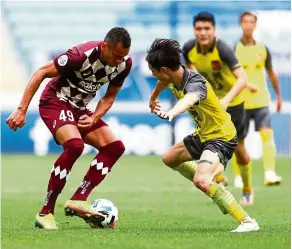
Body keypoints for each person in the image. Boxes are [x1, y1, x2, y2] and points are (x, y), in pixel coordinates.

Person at [6, 27, 132, 229]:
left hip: (80, 109)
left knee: (114, 147)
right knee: (75, 146)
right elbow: (40, 73)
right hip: (55, 101)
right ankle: (45, 212)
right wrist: (21, 109)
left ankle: (79, 198)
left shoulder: (124, 64)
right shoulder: (79, 56)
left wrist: (95, 118)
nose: (120, 61)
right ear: (105, 46)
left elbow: (109, 96)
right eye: (117, 56)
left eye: (124, 56)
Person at [147, 38, 259, 232]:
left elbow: (190, 99)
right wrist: (153, 98)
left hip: (221, 137)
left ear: (164, 70)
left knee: (201, 180)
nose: (153, 75)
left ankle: (247, 221)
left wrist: (173, 111)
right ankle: (210, 176)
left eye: (154, 71)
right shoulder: (172, 77)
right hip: (204, 134)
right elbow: (161, 83)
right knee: (169, 158)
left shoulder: (195, 82)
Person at [182, 11, 254, 205]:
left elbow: (243, 79)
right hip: (211, 106)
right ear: (194, 30)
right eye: (199, 29)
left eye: (207, 29)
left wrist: (227, 99)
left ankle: (247, 189)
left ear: (214, 30)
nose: (203, 33)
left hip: (234, 104)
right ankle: (219, 178)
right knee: (208, 141)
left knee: (239, 149)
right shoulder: (189, 48)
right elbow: (189, 69)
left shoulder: (223, 50)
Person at [234, 11, 282, 186]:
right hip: (240, 101)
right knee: (239, 140)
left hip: (261, 100)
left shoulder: (263, 49)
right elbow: (230, 74)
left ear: (255, 25)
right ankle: (239, 175)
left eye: (251, 22)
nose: (248, 25)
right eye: (245, 22)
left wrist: (278, 95)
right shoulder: (234, 49)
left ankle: (270, 173)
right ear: (241, 24)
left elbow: (271, 73)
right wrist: (245, 85)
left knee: (267, 134)